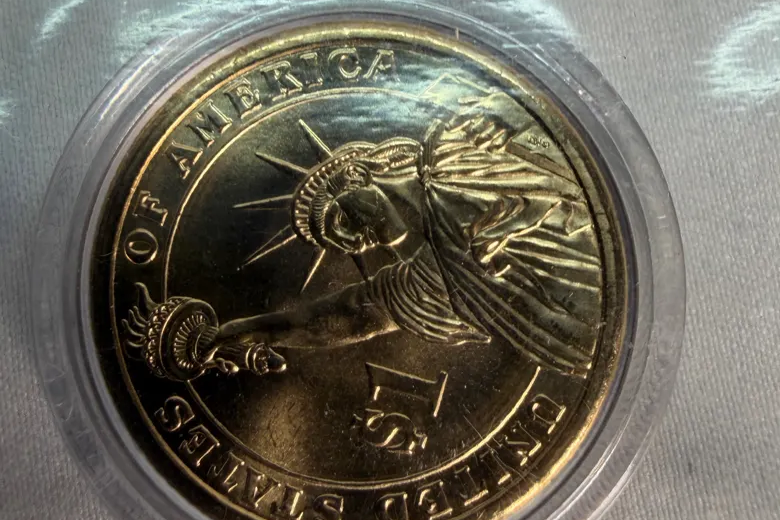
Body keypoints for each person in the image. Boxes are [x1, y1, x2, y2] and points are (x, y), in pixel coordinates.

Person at [211, 105, 603, 379]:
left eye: (342, 220)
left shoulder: (455, 147)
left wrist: (510, 117)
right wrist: (244, 330)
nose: (357, 243)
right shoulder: (425, 285)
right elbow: (347, 317)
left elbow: (549, 132)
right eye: (345, 244)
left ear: (357, 178)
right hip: (588, 339)